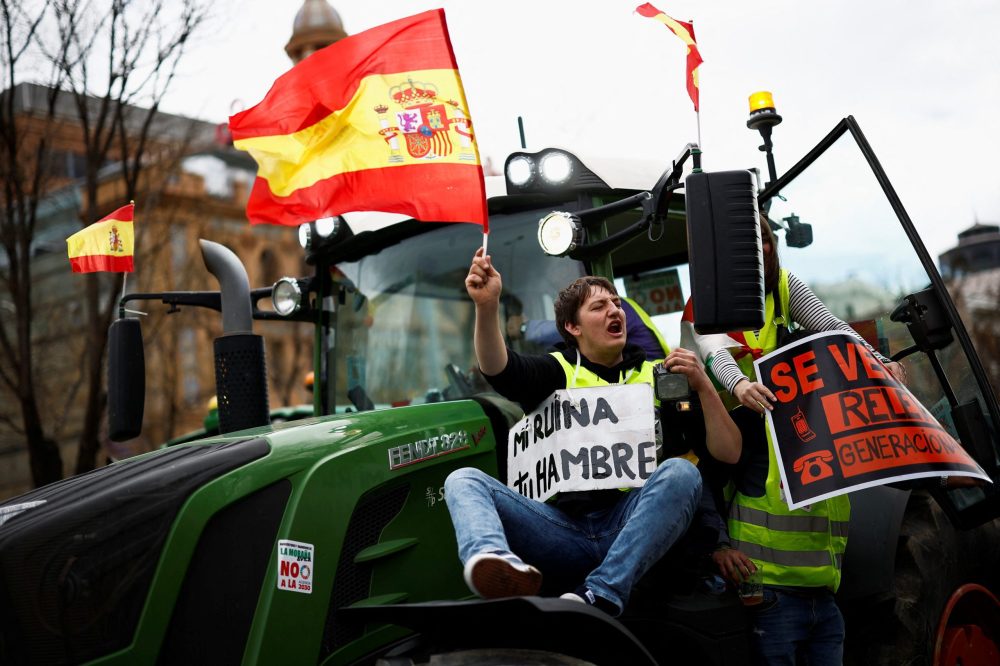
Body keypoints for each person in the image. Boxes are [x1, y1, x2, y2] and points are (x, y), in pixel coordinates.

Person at [443, 248, 742, 616]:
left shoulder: (660, 376)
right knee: (464, 479)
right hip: (562, 532)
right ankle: (495, 562)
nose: (615, 311)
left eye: (616, 304)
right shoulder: (556, 372)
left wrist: (704, 387)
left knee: (681, 472)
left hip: (630, 526)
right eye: (599, 307)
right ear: (573, 327)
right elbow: (499, 369)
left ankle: (600, 594)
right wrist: (487, 307)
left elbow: (728, 453)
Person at [686, 216, 905, 665]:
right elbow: (714, 349)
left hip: (776, 413)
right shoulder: (706, 300)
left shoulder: (786, 285)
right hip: (730, 416)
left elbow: (831, 329)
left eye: (764, 240)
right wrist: (738, 386)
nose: (759, 251)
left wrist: (879, 361)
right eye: (746, 245)